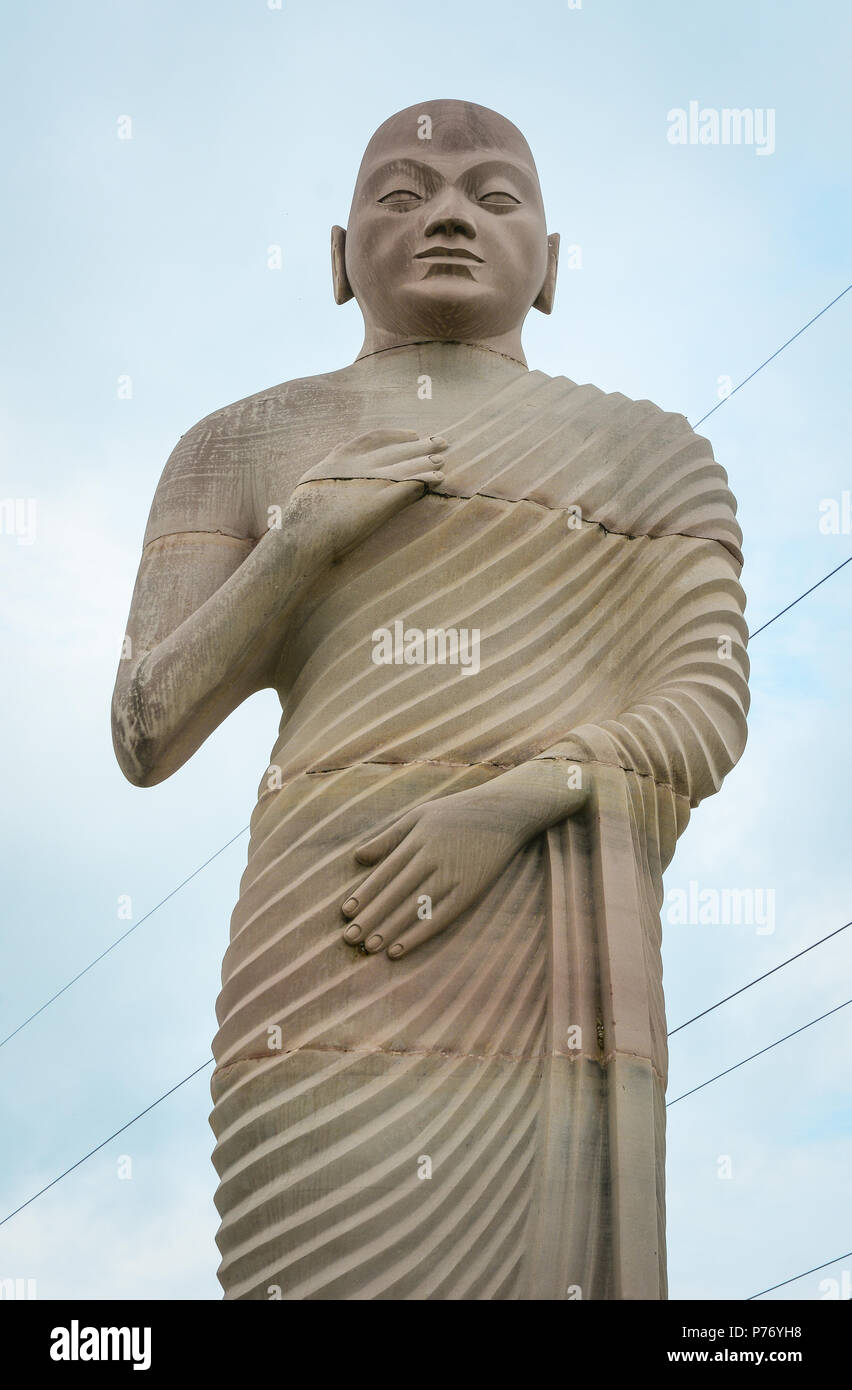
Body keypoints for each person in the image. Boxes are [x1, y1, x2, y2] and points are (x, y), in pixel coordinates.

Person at [112, 100, 749, 1299]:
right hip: (326, 940)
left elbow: (706, 704)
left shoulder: (651, 454)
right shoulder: (241, 442)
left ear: (549, 266)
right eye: (402, 194)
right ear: (337, 255)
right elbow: (144, 725)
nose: (449, 212)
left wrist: (511, 803)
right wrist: (298, 548)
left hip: (538, 951)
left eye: (491, 195)